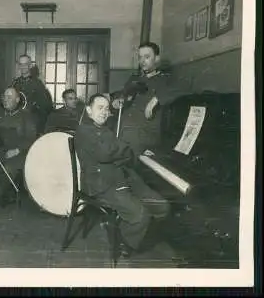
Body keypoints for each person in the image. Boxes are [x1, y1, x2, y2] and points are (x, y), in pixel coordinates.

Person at [74, 93, 170, 255]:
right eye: (100, 108)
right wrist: (123, 149)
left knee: (162, 206)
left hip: (121, 178)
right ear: (89, 110)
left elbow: (123, 154)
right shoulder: (84, 130)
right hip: (100, 185)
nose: (105, 112)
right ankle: (124, 241)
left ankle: (123, 227)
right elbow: (105, 153)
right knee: (141, 215)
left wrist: (121, 151)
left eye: (107, 108)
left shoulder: (104, 129)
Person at [110, 42, 189, 155]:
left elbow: (186, 88)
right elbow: (122, 95)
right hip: (121, 131)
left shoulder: (165, 80)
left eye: (147, 57)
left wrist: (157, 98)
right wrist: (117, 101)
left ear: (157, 58)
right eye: (140, 57)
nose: (142, 61)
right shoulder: (134, 79)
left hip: (142, 138)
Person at [0, 87, 38, 207]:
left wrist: (17, 150)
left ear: (17, 100)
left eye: (9, 97)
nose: (5, 100)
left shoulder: (26, 116)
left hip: (20, 152)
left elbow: (32, 138)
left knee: (8, 169)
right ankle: (6, 190)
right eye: (4, 97)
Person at [11, 55, 54, 135]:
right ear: (18, 66)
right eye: (21, 64)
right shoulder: (15, 83)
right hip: (17, 123)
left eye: (25, 64)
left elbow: (45, 107)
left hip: (32, 124)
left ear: (30, 65)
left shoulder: (37, 84)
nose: (23, 67)